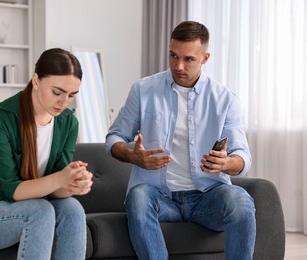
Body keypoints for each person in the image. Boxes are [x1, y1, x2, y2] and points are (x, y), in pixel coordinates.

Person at [105, 21, 255, 260]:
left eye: (188, 59)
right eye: (173, 56)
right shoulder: (143, 91)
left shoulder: (225, 100)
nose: (178, 66)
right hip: (159, 196)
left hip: (207, 197)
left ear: (205, 58)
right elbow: (114, 137)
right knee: (138, 196)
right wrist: (132, 155)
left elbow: (243, 158)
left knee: (241, 201)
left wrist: (225, 163)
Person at [0, 48, 93, 260]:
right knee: (40, 211)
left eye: (71, 95)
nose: (64, 102)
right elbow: (9, 189)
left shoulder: (68, 122)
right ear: (36, 80)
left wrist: (73, 184)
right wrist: (60, 178)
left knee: (72, 208)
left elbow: (56, 189)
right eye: (57, 92)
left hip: (29, 207)